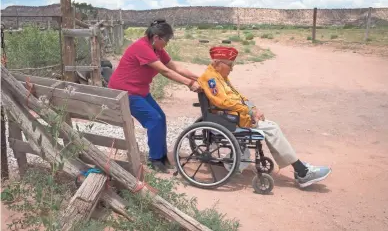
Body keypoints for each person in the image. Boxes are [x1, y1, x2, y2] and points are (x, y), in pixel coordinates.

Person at [196, 46, 331, 188]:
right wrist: (249, 111)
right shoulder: (211, 78)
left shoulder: (221, 77)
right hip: (229, 120)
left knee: (270, 126)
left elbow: (237, 96)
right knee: (272, 128)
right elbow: (222, 102)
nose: (232, 69)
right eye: (230, 65)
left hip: (235, 117)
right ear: (218, 63)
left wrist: (252, 108)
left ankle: (299, 169)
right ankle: (302, 171)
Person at [108, 19, 201, 173]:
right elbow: (165, 71)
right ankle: (155, 160)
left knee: (161, 117)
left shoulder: (157, 49)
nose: (167, 43)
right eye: (167, 40)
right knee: (154, 119)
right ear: (157, 37)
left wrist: (199, 78)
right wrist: (189, 84)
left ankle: (162, 156)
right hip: (124, 92)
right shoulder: (142, 47)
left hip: (140, 90)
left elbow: (175, 67)